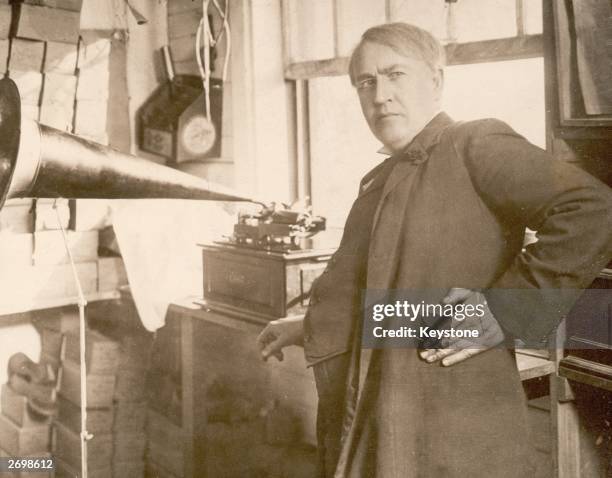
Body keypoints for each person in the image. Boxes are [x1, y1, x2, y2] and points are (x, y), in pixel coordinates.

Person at [257, 22, 612, 477]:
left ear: (436, 80)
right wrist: (309, 324)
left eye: (395, 74)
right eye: (366, 82)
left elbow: (592, 209)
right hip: (383, 410)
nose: (380, 94)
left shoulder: (474, 143)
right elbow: (391, 294)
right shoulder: (385, 177)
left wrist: (502, 311)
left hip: (451, 417)